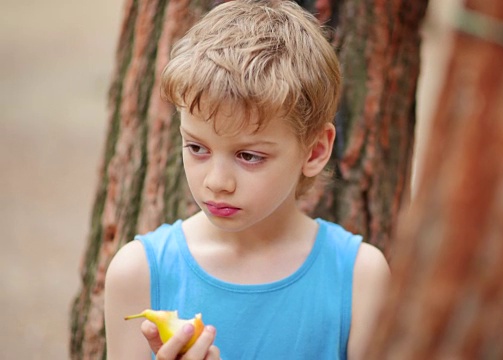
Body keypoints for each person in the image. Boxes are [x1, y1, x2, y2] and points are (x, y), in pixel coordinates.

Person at [104, 0, 390, 359]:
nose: (217, 182)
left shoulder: (359, 279)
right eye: (196, 147)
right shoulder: (139, 274)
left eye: (249, 155)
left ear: (315, 151)